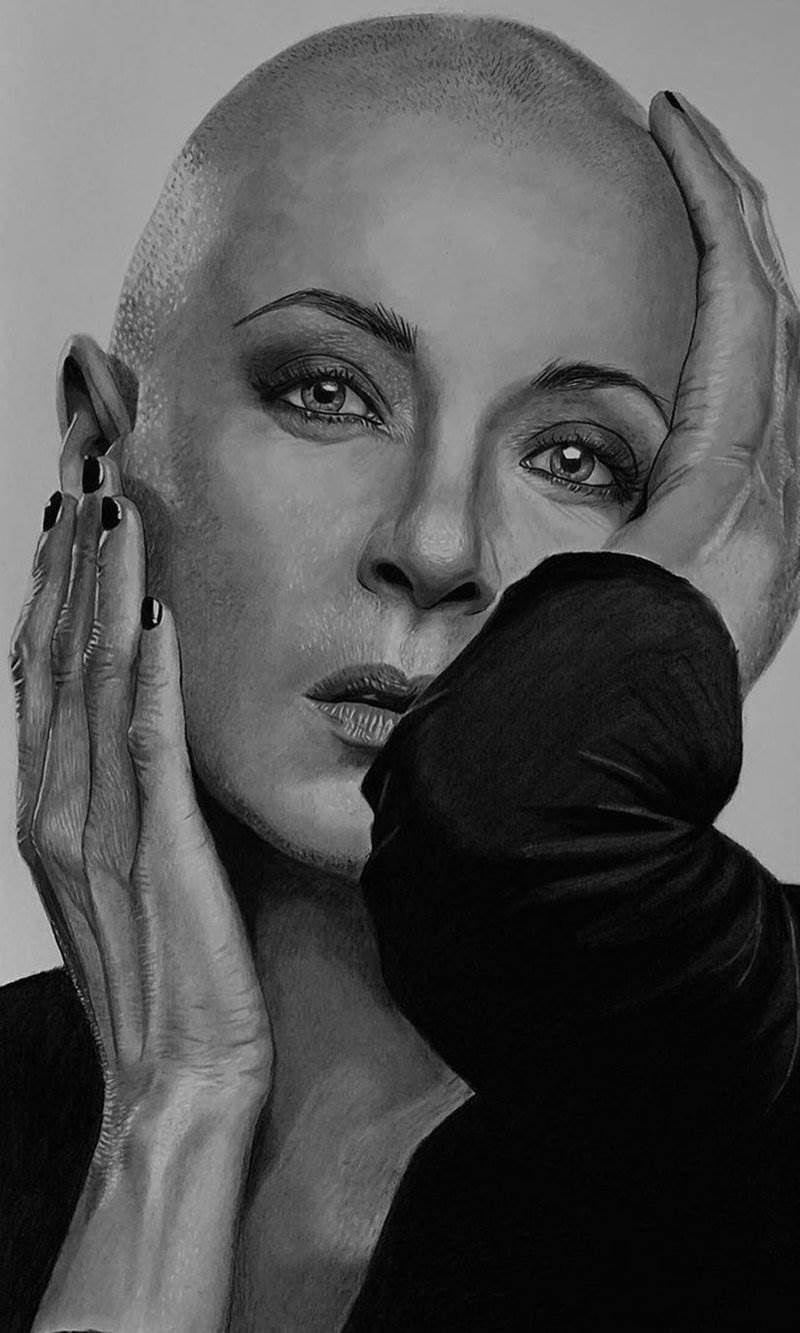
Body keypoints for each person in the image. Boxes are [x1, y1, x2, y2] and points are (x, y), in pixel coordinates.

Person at [3, 12, 799, 1331]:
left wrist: (712, 563)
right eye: (328, 392)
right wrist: (174, 1110)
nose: (434, 547)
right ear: (103, 451)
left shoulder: (757, 1063)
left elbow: (502, 812)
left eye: (578, 460)